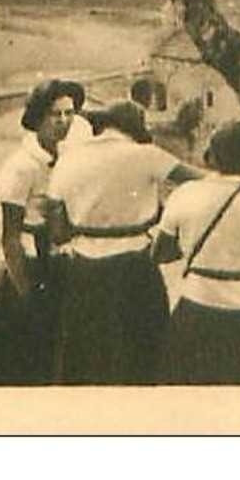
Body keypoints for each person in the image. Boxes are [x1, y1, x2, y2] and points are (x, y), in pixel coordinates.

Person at [44, 100, 201, 385]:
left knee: (88, 357)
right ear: (133, 128)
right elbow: (202, 181)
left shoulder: (68, 159)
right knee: (143, 355)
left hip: (84, 269)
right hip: (134, 265)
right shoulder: (145, 155)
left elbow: (56, 230)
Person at [153, 119, 240, 384]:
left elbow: (160, 253)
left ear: (212, 156)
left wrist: (195, 248)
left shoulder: (185, 194)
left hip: (197, 306)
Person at [0, 78, 85, 386]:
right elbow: (10, 237)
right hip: (27, 268)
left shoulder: (66, 158)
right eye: (56, 114)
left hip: (56, 265)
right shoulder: (21, 166)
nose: (64, 122)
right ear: (38, 118)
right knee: (22, 352)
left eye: (69, 113)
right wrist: (26, 292)